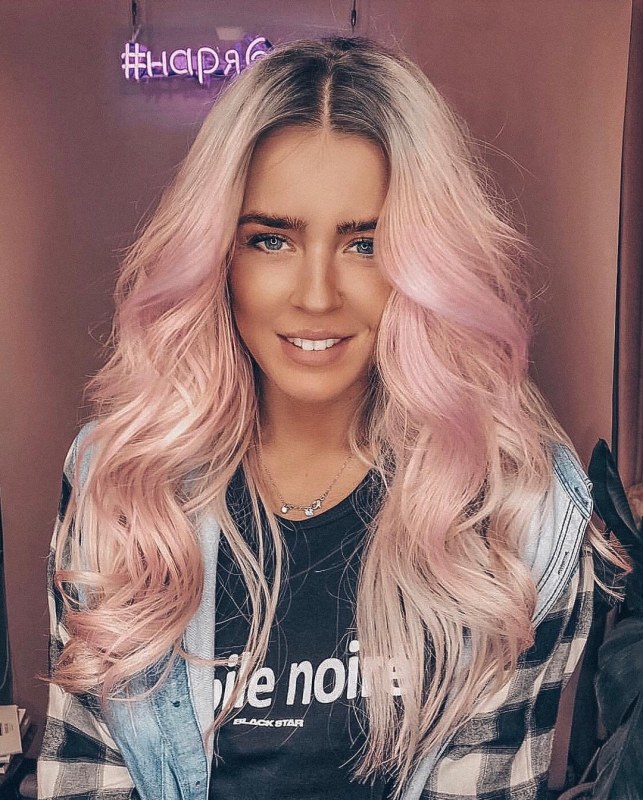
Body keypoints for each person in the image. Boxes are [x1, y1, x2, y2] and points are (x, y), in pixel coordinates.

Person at [37, 35, 624, 800]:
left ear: (424, 261)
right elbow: (83, 774)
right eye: (271, 239)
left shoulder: (517, 510)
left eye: (366, 244)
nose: (315, 295)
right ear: (218, 256)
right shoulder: (121, 483)